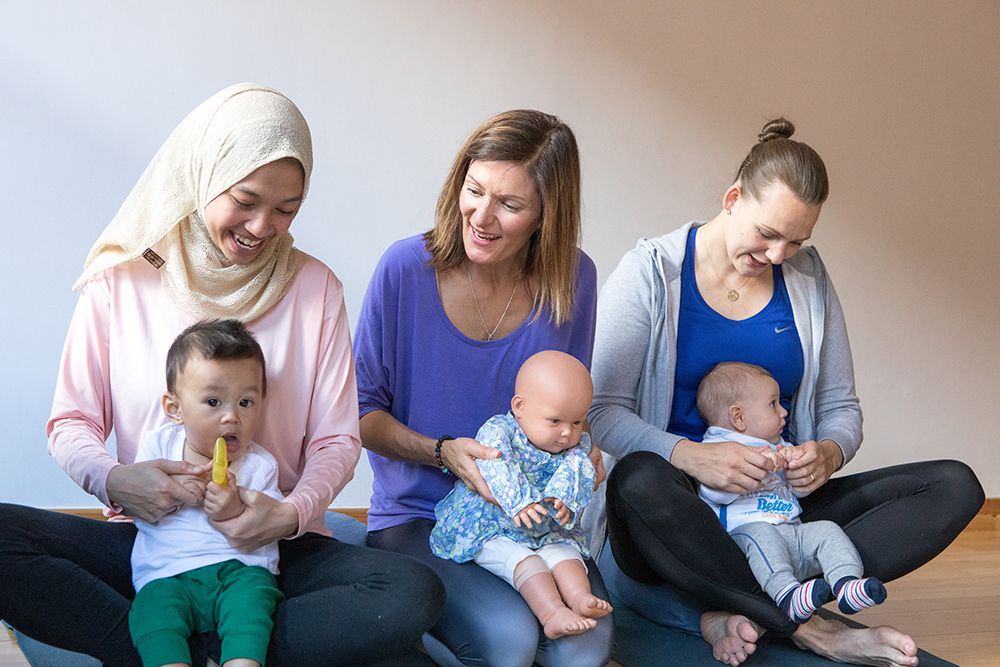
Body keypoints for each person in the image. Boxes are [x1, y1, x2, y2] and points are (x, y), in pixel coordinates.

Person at [0, 83, 443, 667]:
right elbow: (72, 421)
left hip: (268, 546)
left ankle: (203, 644)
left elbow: (338, 439)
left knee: (412, 594)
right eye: (245, 199)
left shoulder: (315, 290)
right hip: (151, 539)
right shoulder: (123, 278)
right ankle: (193, 649)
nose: (262, 226)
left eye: (287, 209)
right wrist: (115, 480)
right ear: (204, 176)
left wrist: (288, 514)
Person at [585, 117, 984, 667]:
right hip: (681, 516)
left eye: (796, 241)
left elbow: (843, 410)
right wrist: (693, 457)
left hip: (779, 509)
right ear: (732, 199)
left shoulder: (809, 279)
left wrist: (828, 453)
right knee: (638, 479)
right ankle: (810, 628)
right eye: (768, 234)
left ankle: (738, 599)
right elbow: (600, 412)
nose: (778, 254)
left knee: (954, 485)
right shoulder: (652, 273)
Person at [355, 110, 613, 666]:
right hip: (419, 516)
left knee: (583, 651)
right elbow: (359, 415)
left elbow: (571, 413)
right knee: (509, 640)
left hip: (532, 524)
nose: (482, 216)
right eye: (474, 190)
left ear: (548, 214)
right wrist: (442, 451)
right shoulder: (405, 269)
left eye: (511, 205)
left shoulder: (574, 282)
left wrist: (584, 455)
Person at [130, 319, 285, 667]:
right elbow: (139, 504)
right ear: (174, 408)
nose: (231, 417)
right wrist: (171, 492)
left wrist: (233, 508)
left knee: (254, 604)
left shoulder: (260, 465)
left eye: (246, 402)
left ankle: (242, 661)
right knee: (151, 612)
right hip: (168, 572)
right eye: (213, 401)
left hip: (238, 570)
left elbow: (265, 525)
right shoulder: (157, 447)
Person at [430, 351, 612, 641]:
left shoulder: (574, 445)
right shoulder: (500, 431)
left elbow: (578, 469)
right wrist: (520, 502)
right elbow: (498, 465)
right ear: (519, 406)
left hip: (544, 527)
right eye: (555, 421)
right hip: (494, 525)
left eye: (577, 422)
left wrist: (567, 501)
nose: (567, 433)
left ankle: (579, 598)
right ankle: (552, 612)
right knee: (525, 562)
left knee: (565, 552)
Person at [695, 361, 886, 625]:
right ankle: (788, 595)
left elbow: (798, 493)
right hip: (746, 538)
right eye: (773, 404)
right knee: (761, 536)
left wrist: (798, 469)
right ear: (738, 417)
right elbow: (711, 493)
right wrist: (753, 471)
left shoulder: (780, 445)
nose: (784, 411)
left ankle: (846, 584)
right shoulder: (718, 447)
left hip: (791, 532)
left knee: (827, 531)